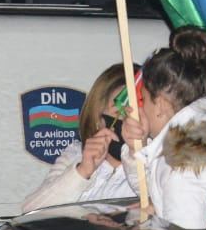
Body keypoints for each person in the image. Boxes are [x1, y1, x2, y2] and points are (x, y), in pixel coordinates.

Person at [120, 27, 206, 229]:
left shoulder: (181, 163)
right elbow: (153, 190)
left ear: (160, 104)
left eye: (143, 98)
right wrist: (138, 148)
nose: (139, 106)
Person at [22, 63, 139, 212]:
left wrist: (136, 157)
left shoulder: (153, 164)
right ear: (98, 118)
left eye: (137, 115)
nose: (130, 122)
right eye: (120, 113)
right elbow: (31, 211)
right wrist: (82, 171)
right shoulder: (76, 153)